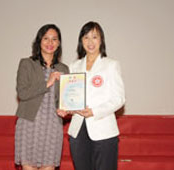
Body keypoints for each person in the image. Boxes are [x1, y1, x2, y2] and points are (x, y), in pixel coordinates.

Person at [58, 21, 125, 170]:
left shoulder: (111, 65)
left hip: (103, 128)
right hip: (78, 129)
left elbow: (119, 99)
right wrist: (67, 109)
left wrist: (94, 111)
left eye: (94, 37)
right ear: (81, 41)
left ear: (101, 40)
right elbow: (70, 96)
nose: (90, 42)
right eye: (86, 37)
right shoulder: (73, 66)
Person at [15, 24, 69, 170]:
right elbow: (22, 93)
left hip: (52, 124)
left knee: (49, 166)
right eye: (46, 38)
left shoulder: (63, 69)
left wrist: (66, 109)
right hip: (29, 123)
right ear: (39, 41)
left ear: (58, 43)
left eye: (54, 39)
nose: (50, 43)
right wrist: (47, 83)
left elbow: (65, 99)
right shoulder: (27, 64)